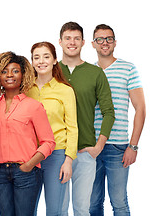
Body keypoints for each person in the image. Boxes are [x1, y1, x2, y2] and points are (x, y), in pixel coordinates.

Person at [0, 51, 56, 216]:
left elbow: (49, 142)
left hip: (26, 172)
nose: (10, 75)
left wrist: (29, 165)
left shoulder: (33, 106)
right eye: (4, 71)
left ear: (23, 75)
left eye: (15, 71)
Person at [58, 22, 115, 216]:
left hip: (84, 151)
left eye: (76, 38)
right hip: (57, 152)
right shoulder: (51, 70)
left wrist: (99, 146)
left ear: (83, 42)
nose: (72, 42)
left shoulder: (95, 73)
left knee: (82, 209)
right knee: (59, 209)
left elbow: (109, 112)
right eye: (67, 38)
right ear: (60, 42)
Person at [89, 24, 146, 216]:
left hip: (118, 147)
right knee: (92, 204)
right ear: (93, 44)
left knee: (119, 203)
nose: (105, 43)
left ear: (115, 42)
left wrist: (133, 146)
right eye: (100, 39)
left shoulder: (128, 68)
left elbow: (140, 109)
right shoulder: (88, 71)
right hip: (91, 146)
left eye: (109, 38)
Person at [26, 42, 78, 216]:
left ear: (55, 60)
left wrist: (68, 160)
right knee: (27, 210)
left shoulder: (65, 90)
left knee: (54, 210)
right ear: (32, 62)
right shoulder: (25, 90)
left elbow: (72, 127)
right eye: (36, 57)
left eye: (46, 56)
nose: (41, 61)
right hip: (30, 155)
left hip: (56, 155)